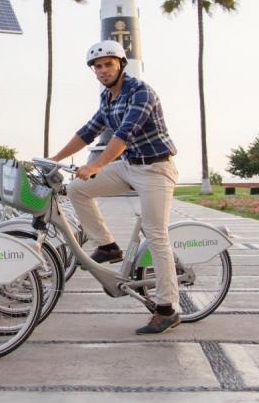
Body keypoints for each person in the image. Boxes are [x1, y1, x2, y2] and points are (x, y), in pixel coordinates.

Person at [49, 40, 180, 334]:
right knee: (76, 189)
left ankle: (167, 308)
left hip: (156, 168)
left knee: (156, 235)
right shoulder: (108, 99)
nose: (103, 70)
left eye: (109, 64)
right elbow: (87, 132)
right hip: (131, 166)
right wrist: (53, 159)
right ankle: (108, 246)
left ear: (121, 64)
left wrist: (96, 166)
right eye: (98, 66)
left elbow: (123, 135)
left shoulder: (140, 92)